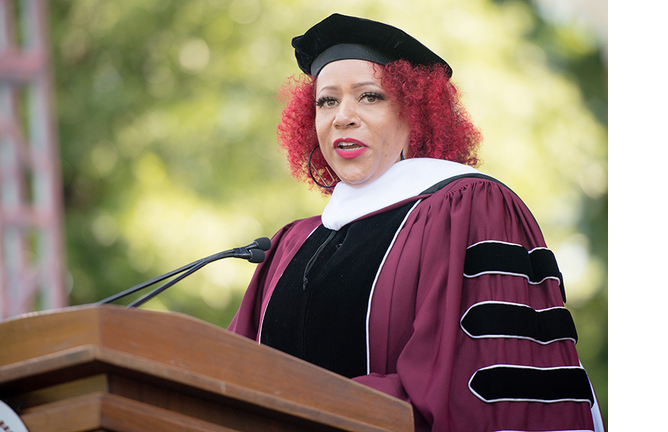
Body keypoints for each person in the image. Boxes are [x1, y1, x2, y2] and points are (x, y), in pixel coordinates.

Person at [227, 13, 604, 432]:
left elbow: (482, 387)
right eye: (327, 101)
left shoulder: (471, 210)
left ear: (417, 114)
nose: (342, 117)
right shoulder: (290, 244)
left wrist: (302, 404)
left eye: (369, 96)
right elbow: (224, 374)